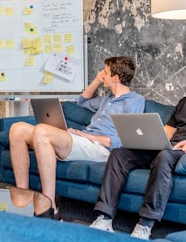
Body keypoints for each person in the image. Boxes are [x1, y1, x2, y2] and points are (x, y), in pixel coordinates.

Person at [9, 56, 145, 220]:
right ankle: (23, 193)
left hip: (101, 149)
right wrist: (96, 80)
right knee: (17, 129)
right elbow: (81, 102)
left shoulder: (135, 101)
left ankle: (50, 206)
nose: (102, 74)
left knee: (42, 131)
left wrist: (90, 136)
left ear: (116, 78)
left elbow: (125, 140)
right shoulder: (107, 100)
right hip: (83, 141)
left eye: (105, 72)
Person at [90, 97, 186, 240]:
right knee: (119, 154)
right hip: (169, 147)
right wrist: (150, 140)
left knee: (164, 156)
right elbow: (168, 132)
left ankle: (145, 224)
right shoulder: (183, 101)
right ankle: (104, 217)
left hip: (180, 153)